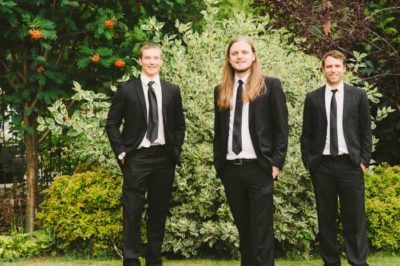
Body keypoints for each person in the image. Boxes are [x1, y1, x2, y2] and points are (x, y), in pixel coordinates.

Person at [105, 43, 185, 266]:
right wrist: (121, 153)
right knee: (132, 211)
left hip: (163, 158)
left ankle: (154, 259)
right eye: (147, 58)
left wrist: (175, 150)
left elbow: (179, 125)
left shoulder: (172, 90)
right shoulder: (126, 90)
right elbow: (111, 124)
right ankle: (131, 259)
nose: (151, 62)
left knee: (158, 212)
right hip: (136, 158)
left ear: (162, 61)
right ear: (140, 61)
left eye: (156, 58)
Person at [213, 36, 288, 266]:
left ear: (253, 56)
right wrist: (219, 166)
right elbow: (219, 131)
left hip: (259, 167)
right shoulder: (220, 90)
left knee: (262, 230)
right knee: (244, 230)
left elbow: (281, 128)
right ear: (229, 58)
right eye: (235, 53)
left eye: (244, 52)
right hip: (231, 169)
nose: (239, 56)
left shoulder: (270, 85)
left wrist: (276, 163)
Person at [301, 50, 371, 266]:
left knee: (355, 218)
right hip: (322, 165)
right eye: (329, 66)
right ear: (323, 69)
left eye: (337, 66)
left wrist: (363, 161)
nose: (333, 70)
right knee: (326, 218)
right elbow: (307, 133)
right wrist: (309, 161)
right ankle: (331, 262)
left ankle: (358, 262)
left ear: (344, 69)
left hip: (350, 164)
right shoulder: (313, 98)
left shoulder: (357, 95)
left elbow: (365, 131)